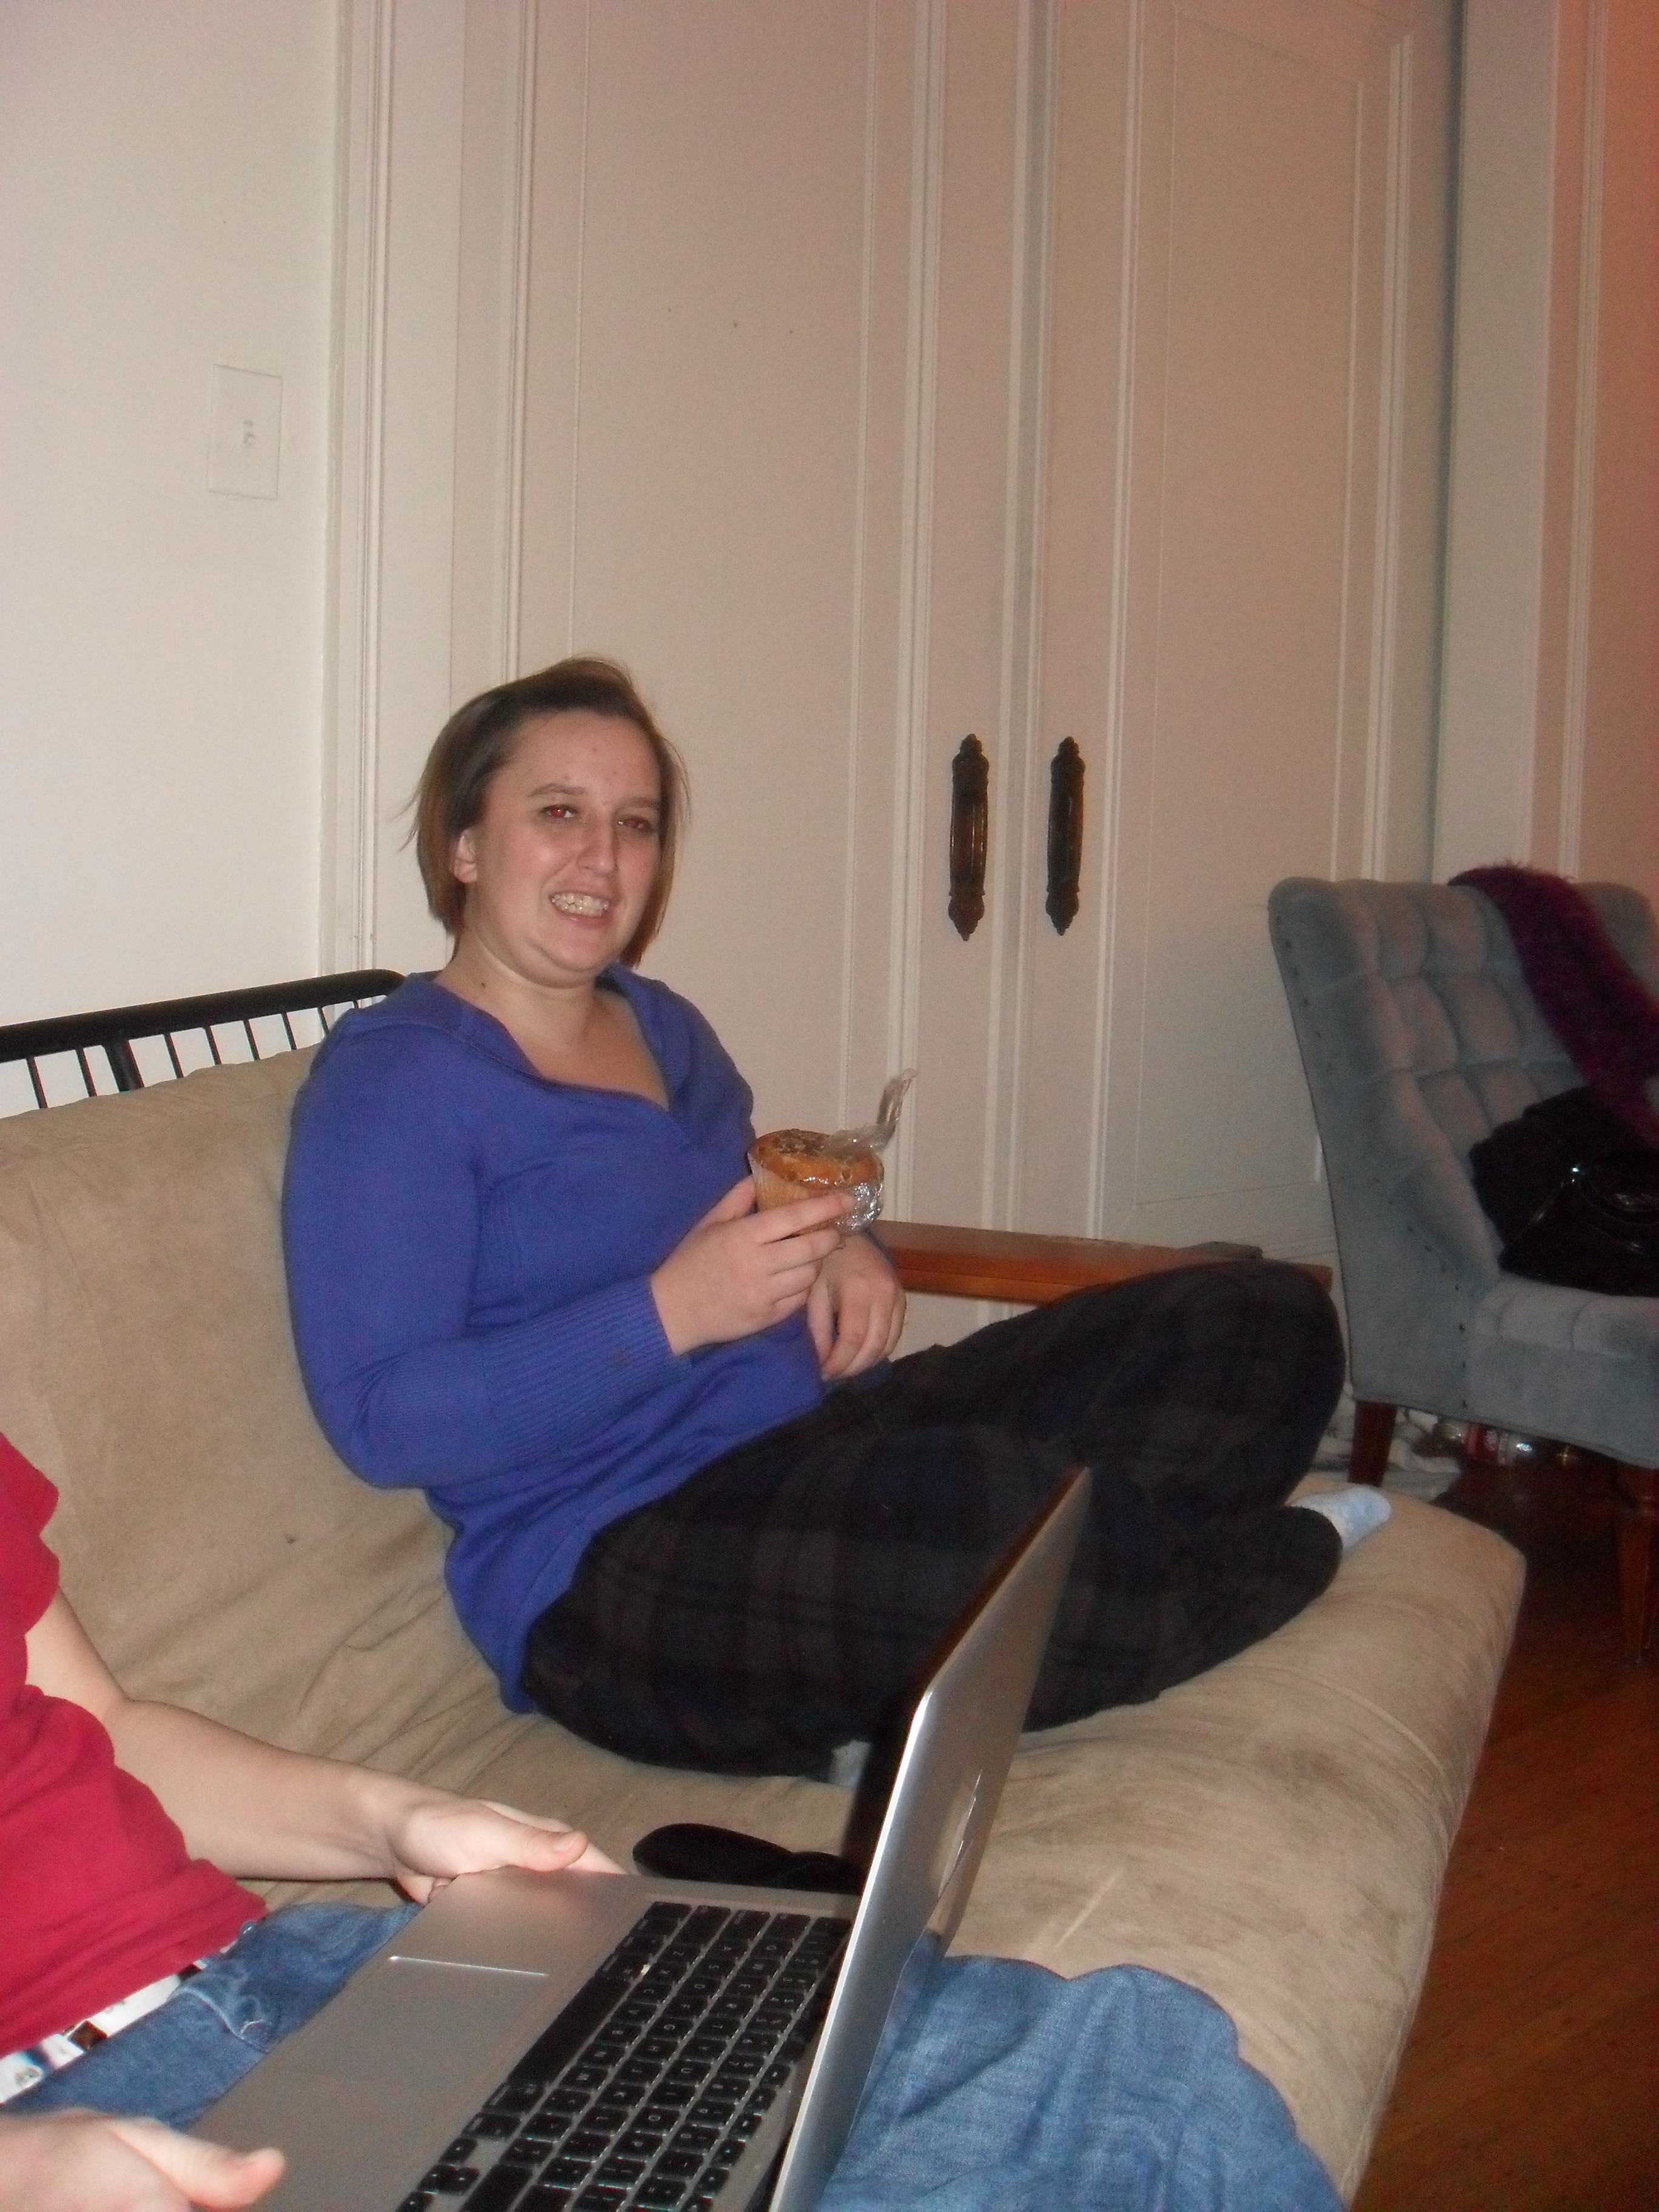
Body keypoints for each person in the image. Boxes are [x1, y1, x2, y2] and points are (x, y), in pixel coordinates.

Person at [281, 658, 1359, 1780]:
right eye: (559, 813)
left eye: (635, 825)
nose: (602, 858)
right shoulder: (397, 1084)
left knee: (1259, 1318)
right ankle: (1251, 1564)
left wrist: (846, 1243)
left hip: (819, 1444)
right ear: (464, 844)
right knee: (991, 1511)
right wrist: (670, 1314)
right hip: (613, 1555)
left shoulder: (663, 1026)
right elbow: (384, 1419)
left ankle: (1044, 1616)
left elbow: (761, 1201)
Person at [0, 1429, 1341, 2212]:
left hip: (278, 1979)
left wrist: (395, 1818)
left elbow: (102, 1726)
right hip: (81, 2124)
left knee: (1122, 2061)